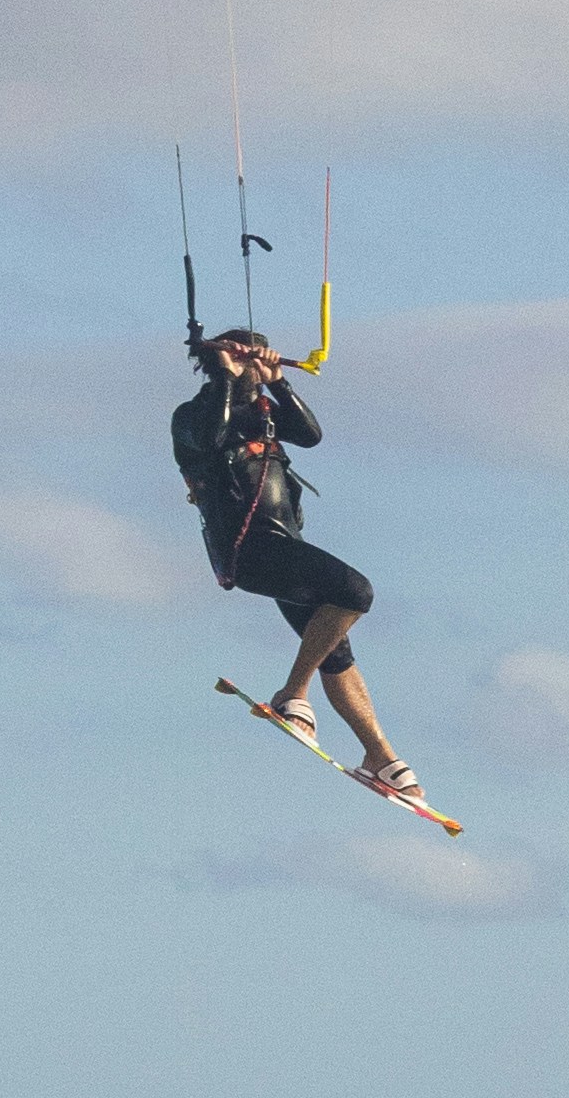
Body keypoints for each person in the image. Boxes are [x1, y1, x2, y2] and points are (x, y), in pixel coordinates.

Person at [173, 328, 422, 798]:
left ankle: (380, 758)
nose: (253, 372)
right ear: (221, 366)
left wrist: (279, 383)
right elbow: (211, 435)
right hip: (246, 552)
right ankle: (292, 695)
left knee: (335, 648)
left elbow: (310, 435)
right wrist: (228, 375)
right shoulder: (191, 417)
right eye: (244, 364)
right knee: (355, 592)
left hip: (284, 544)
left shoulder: (262, 413)